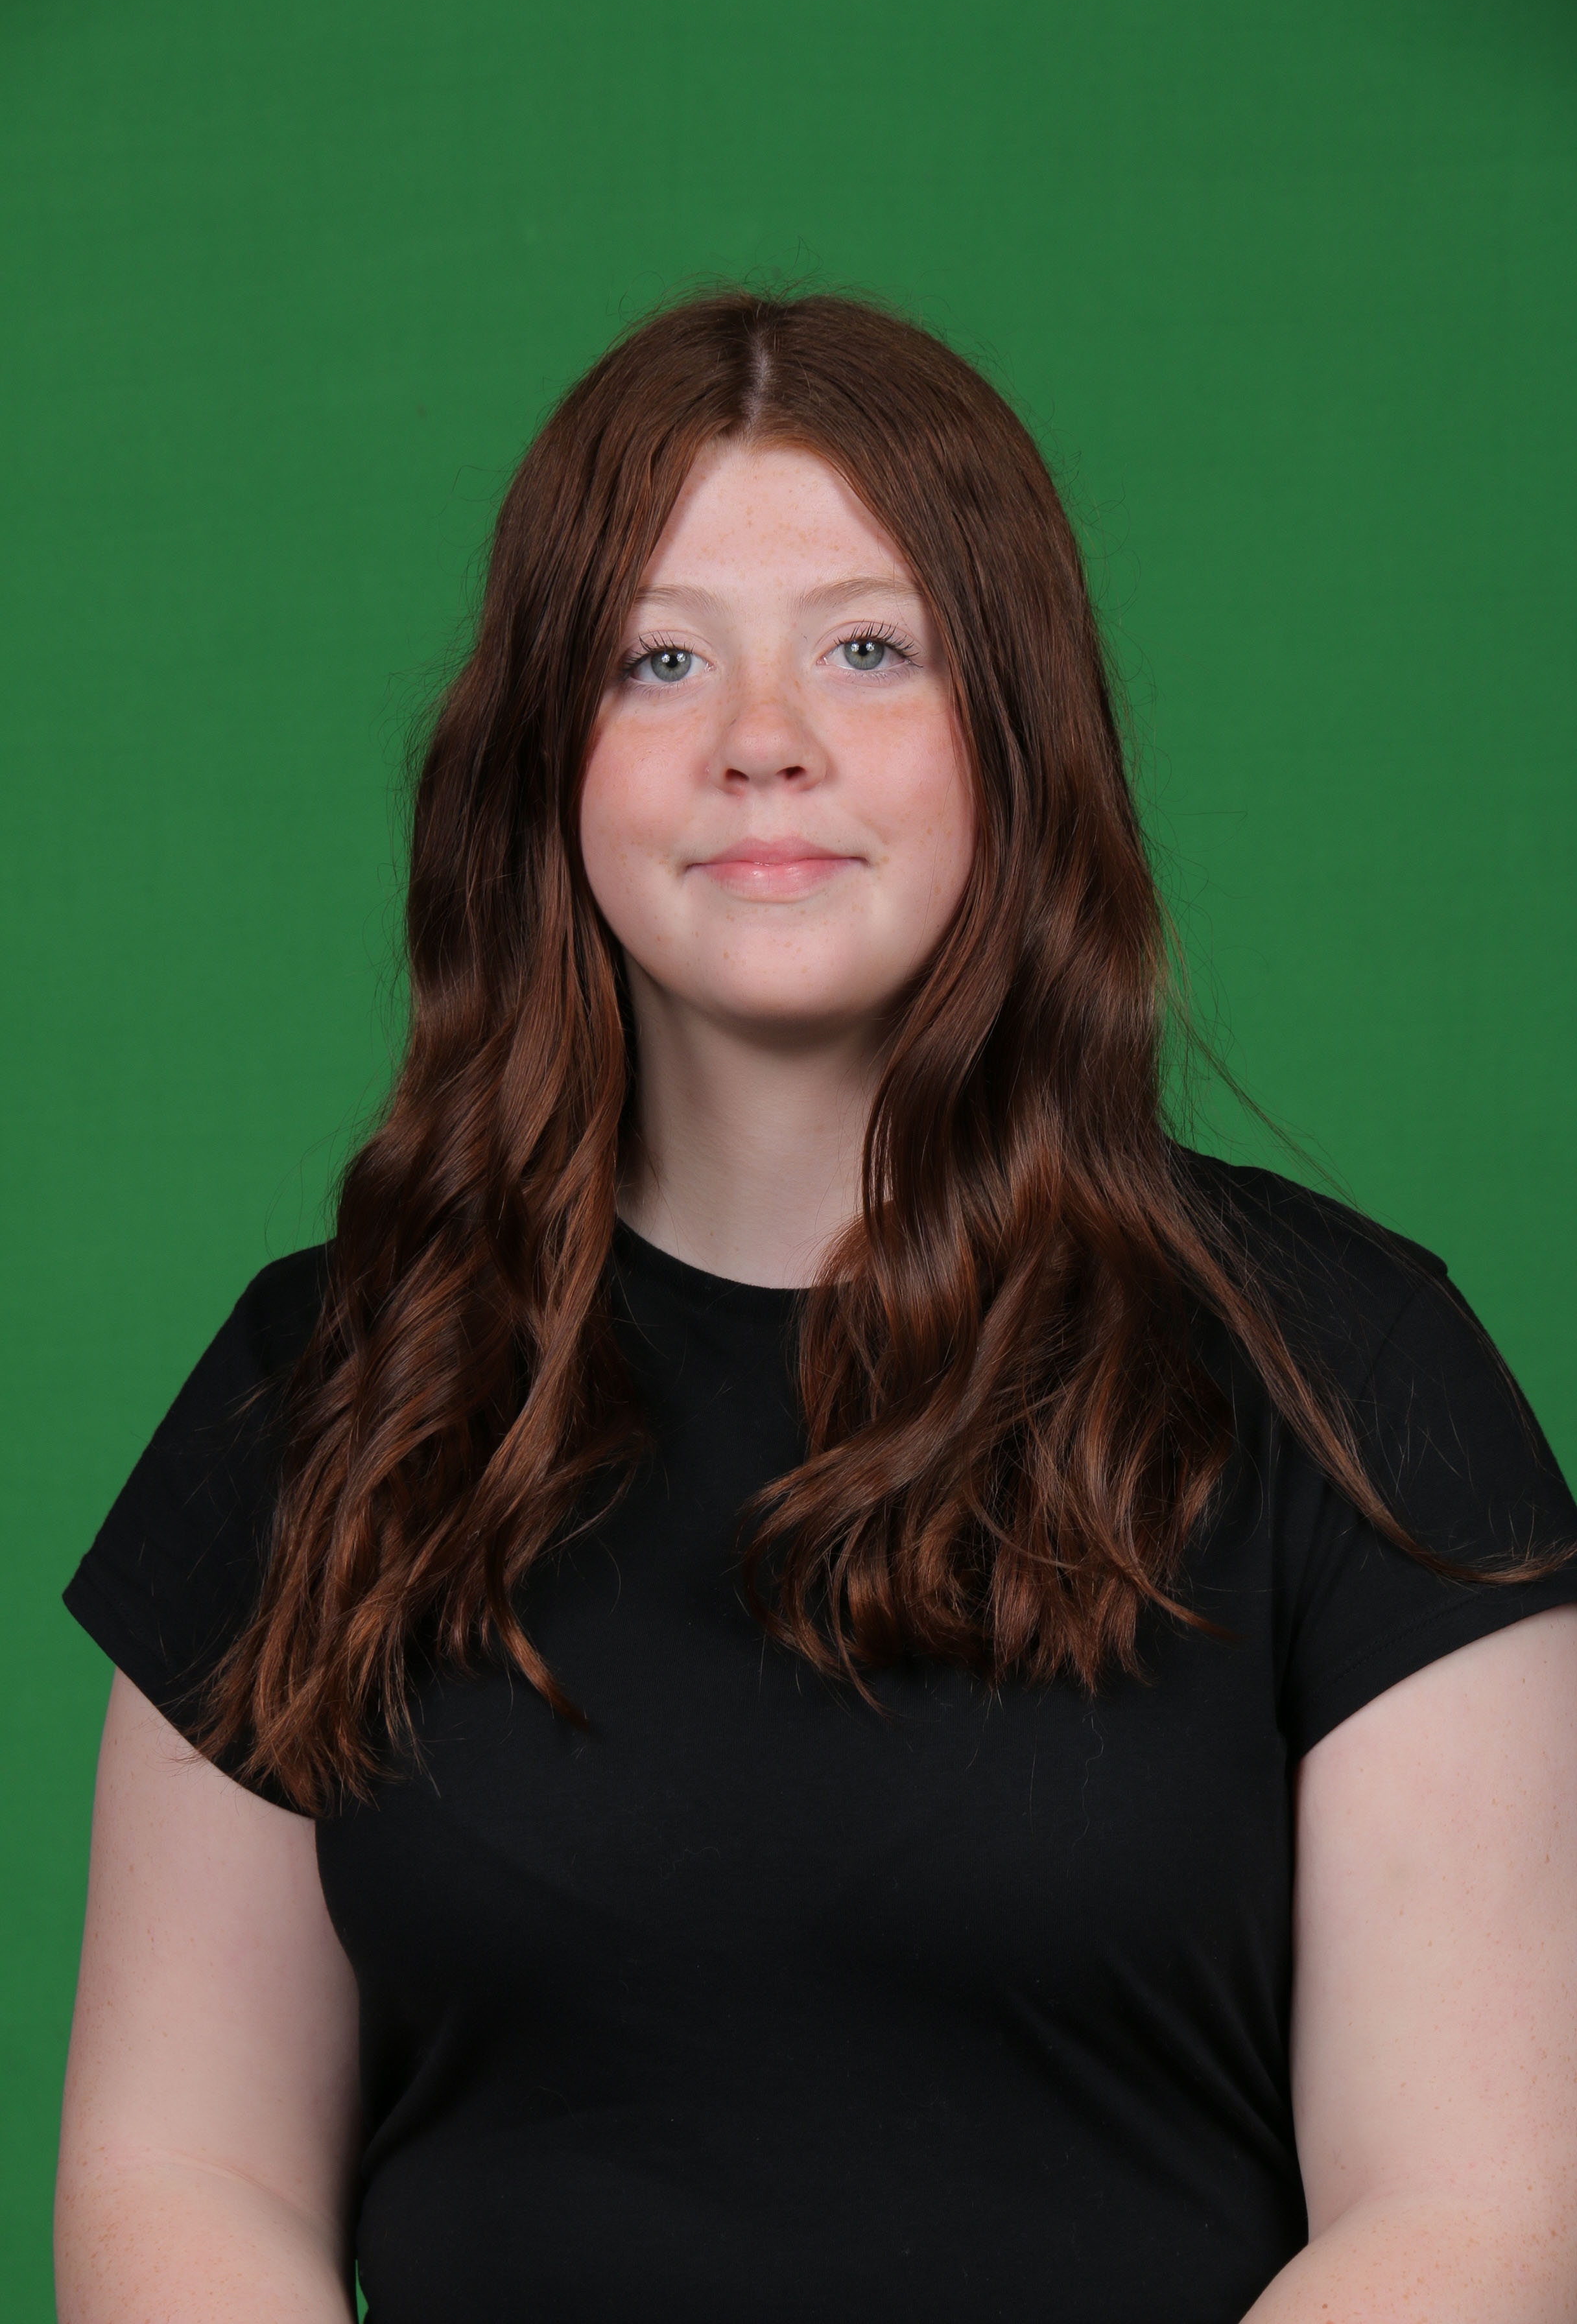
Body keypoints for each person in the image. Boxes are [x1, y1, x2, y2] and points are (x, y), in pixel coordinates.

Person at [55, 290, 1577, 2324]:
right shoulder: (323, 1386)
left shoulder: (1356, 1377)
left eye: (869, 648)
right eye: (658, 658)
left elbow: (1476, 2214)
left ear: (1015, 735)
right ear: (544, 763)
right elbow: (182, 2176)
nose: (761, 735)